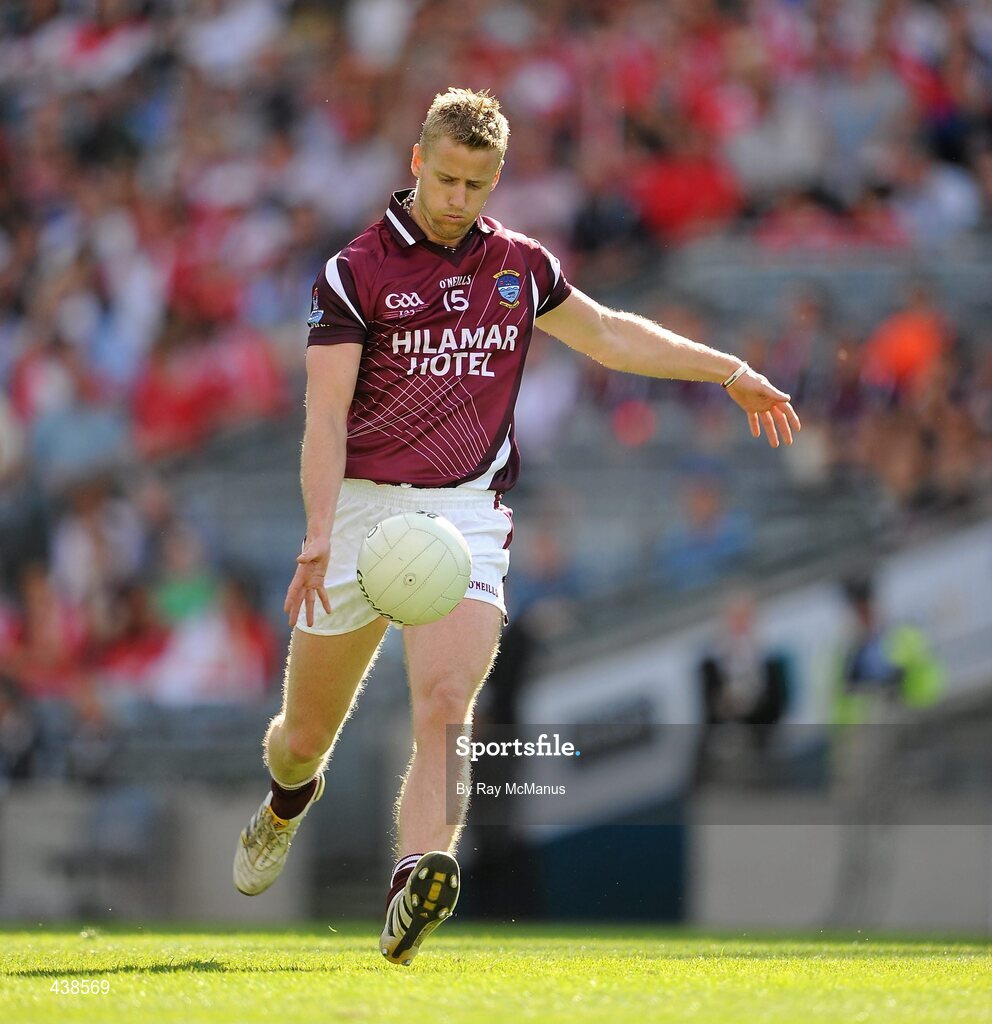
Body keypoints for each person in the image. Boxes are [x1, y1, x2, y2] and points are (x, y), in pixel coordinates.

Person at [232, 87, 801, 965]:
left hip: (464, 512)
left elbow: (609, 334)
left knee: (449, 707)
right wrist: (316, 532)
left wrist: (727, 369)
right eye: (448, 178)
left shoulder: (520, 266)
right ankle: (283, 805)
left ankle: (415, 878)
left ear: (498, 179)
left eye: (479, 184)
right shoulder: (355, 272)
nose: (460, 199)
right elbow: (326, 415)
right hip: (358, 510)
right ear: (418, 161)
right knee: (303, 737)